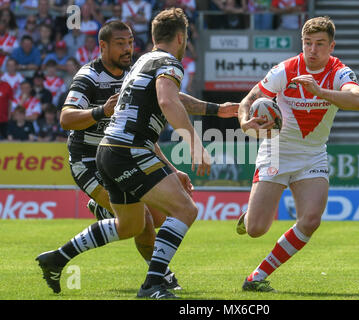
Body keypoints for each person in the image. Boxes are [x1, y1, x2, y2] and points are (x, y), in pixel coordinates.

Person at [35, 16, 238, 298]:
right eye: (121, 43)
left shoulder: (141, 64)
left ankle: (57, 257)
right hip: (115, 153)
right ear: (182, 38)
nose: (128, 47)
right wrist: (194, 142)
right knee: (185, 209)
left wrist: (218, 109)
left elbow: (173, 97)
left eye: (130, 41)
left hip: (110, 150)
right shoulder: (166, 63)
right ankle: (155, 282)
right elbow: (168, 101)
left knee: (132, 224)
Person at [236, 16, 359, 292]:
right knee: (256, 229)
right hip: (276, 151)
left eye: (320, 44)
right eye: (308, 43)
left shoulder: (340, 72)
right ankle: (249, 216)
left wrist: (320, 91)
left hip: (312, 155)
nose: (313, 50)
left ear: (332, 46)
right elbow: (248, 100)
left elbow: (358, 100)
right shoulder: (286, 70)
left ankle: (257, 276)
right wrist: (245, 121)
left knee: (310, 220)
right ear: (302, 44)